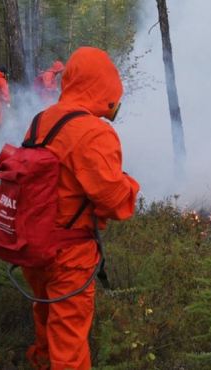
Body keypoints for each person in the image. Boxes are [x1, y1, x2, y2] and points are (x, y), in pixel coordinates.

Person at [21, 47, 139, 369]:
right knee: (69, 344)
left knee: (45, 322)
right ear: (106, 87)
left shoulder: (40, 120)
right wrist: (130, 185)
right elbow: (116, 202)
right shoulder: (94, 131)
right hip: (69, 257)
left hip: (33, 247)